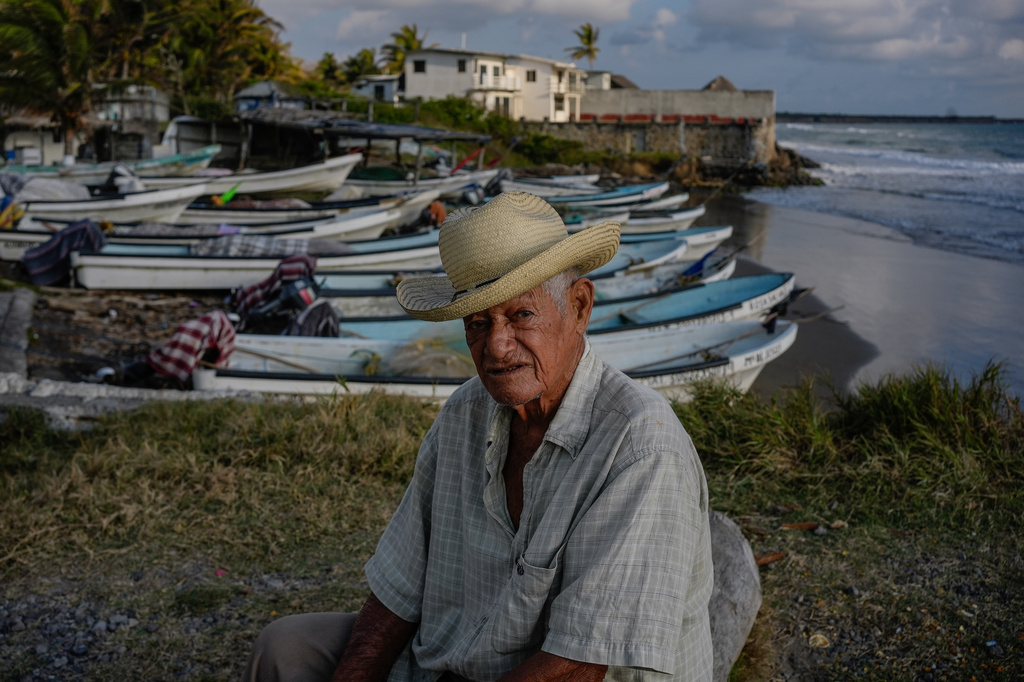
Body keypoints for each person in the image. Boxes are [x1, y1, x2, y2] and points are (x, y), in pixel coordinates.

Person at [242, 192, 713, 682]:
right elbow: (399, 588)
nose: (496, 346)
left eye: (521, 316)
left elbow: (576, 666)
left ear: (579, 307)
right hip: (461, 655)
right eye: (478, 323)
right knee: (286, 648)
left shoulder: (640, 443)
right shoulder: (466, 412)